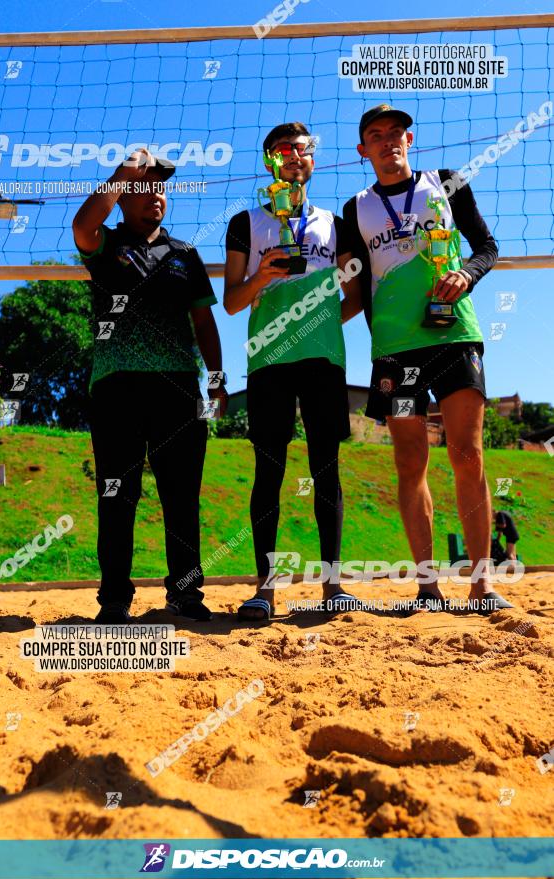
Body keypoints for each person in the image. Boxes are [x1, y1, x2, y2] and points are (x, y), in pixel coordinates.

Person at [343, 104, 512, 614]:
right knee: (409, 461)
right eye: (376, 135)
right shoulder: (356, 208)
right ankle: (427, 587)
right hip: (395, 351)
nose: (387, 140)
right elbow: (356, 285)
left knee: (467, 454)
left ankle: (481, 585)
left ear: (409, 139)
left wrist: (467, 275)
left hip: (455, 334)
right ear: (363, 150)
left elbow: (486, 245)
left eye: (395, 132)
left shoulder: (447, 182)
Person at [72, 149, 227, 624]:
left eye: (160, 188)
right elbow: (82, 226)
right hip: (116, 387)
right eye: (144, 188)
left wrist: (217, 382)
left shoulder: (184, 254)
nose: (155, 196)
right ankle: (115, 599)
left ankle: (185, 594)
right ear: (122, 198)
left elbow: (205, 321)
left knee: (182, 496)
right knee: (117, 495)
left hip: (178, 388)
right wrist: (123, 173)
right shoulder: (106, 244)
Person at [224, 122, 362, 620]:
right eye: (284, 152)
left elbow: (355, 296)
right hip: (268, 360)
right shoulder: (246, 222)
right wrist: (262, 274)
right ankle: (265, 589)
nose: (295, 158)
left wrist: (319, 323)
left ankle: (333, 585)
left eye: (303, 151)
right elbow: (233, 302)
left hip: (323, 359)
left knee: (327, 469)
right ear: (270, 162)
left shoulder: (334, 223)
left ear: (313, 160)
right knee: (270, 472)